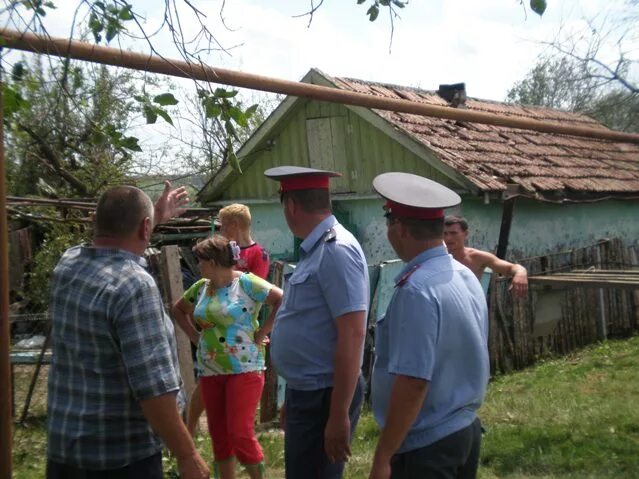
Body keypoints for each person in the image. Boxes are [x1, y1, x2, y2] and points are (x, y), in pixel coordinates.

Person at [47, 183, 210, 479]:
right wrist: (187, 455)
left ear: (95, 222)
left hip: (65, 450)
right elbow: (154, 392)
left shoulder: (68, 264)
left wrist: (153, 216)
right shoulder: (134, 285)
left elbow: (113, 238)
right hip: (121, 459)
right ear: (145, 228)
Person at [369, 172, 489, 479]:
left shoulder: (417, 289)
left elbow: (413, 382)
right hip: (463, 429)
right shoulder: (463, 275)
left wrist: (384, 454)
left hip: (427, 445)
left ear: (399, 228)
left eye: (388, 223)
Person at [264, 166, 369, 479]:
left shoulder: (336, 251)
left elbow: (353, 334)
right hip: (309, 392)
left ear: (291, 206)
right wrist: (294, 396)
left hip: (325, 394)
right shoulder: (317, 249)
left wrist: (338, 414)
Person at [172, 235, 283, 479]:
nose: (198, 265)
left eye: (200, 261)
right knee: (219, 434)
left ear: (212, 262)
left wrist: (263, 331)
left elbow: (281, 300)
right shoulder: (201, 287)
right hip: (210, 369)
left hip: (245, 368)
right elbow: (178, 309)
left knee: (240, 433)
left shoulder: (246, 284)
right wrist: (194, 336)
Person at [184, 203, 271, 436]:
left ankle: (243, 431)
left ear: (234, 225)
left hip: (240, 330)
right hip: (214, 328)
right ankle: (190, 428)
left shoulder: (257, 254)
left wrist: (261, 331)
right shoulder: (221, 251)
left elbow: (256, 294)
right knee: (206, 380)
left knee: (241, 384)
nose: (221, 230)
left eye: (223, 225)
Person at [444, 215, 528, 297]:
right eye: (445, 233)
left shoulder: (476, 257)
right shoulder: (435, 258)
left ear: (466, 234)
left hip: (470, 307)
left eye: (453, 233)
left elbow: (510, 267)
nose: (448, 238)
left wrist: (520, 273)